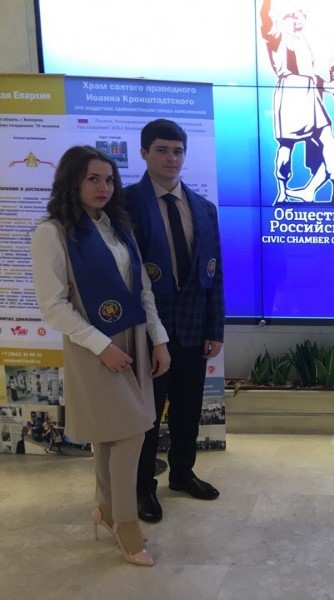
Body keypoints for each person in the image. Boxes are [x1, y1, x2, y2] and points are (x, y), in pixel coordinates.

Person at [31, 145, 170, 566]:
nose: (103, 187)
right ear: (72, 181)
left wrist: (158, 339)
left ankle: (106, 510)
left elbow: (142, 289)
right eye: (93, 178)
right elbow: (53, 306)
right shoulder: (52, 233)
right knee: (130, 433)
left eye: (109, 179)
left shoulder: (118, 227)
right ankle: (126, 523)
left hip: (133, 340)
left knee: (113, 434)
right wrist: (102, 346)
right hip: (93, 346)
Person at [125, 119, 225, 523]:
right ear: (144, 153)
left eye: (178, 151)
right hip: (147, 331)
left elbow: (215, 274)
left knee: (188, 407)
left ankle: (182, 473)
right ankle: (143, 488)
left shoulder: (204, 208)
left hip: (193, 327)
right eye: (162, 150)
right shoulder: (126, 204)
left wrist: (215, 328)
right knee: (147, 415)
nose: (171, 158)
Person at [259, 0, 334, 204]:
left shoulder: (302, 41)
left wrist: (330, 84)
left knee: (327, 138)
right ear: (287, 18)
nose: (299, 21)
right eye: (295, 17)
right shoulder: (278, 36)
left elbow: (311, 75)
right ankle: (282, 191)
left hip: (310, 93)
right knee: (286, 145)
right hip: (291, 93)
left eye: (302, 18)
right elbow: (265, 20)